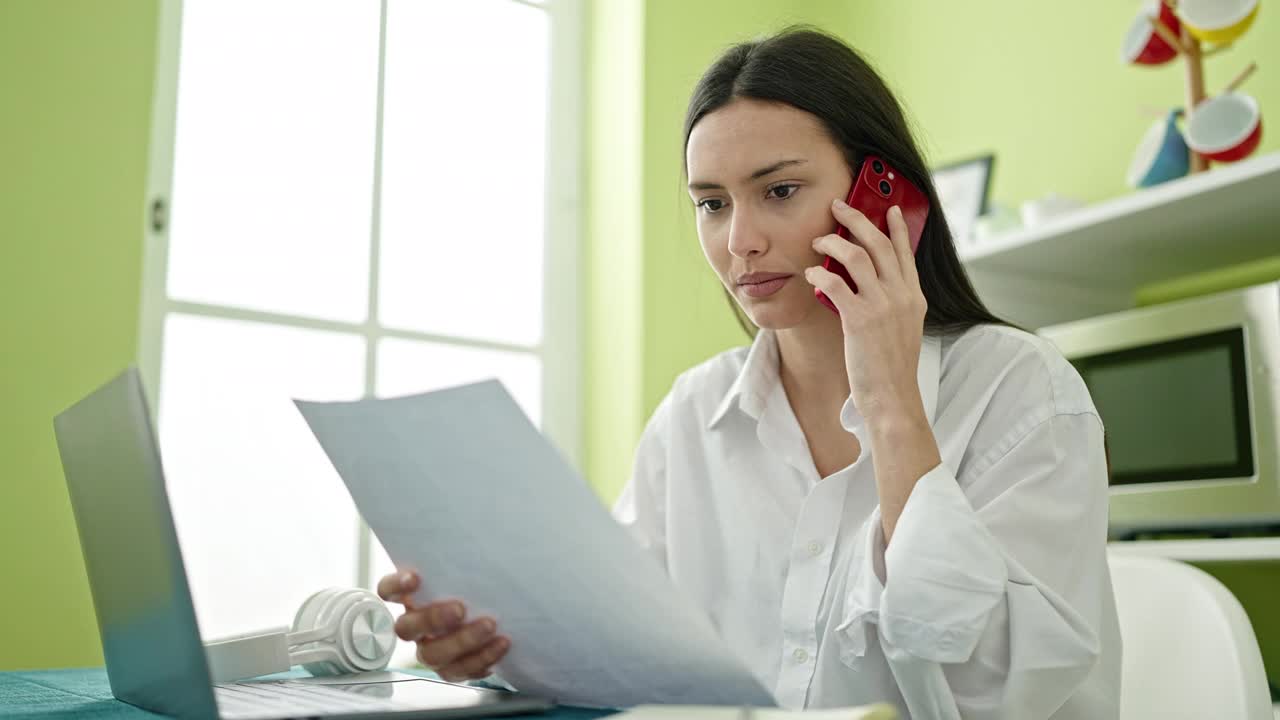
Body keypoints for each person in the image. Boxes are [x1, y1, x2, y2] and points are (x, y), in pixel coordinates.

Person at [378, 26, 1121, 719]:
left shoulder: (1022, 391)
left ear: (883, 195)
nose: (740, 241)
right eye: (711, 203)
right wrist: (497, 651)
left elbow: (994, 690)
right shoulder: (693, 415)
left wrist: (892, 404)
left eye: (780, 191)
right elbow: (614, 653)